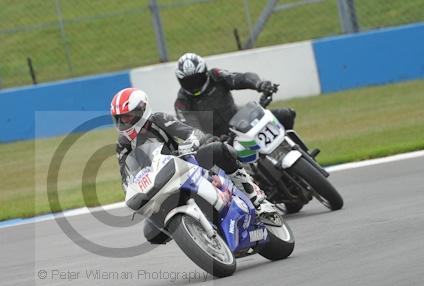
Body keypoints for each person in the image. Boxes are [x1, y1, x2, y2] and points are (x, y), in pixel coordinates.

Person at [111, 87, 278, 244]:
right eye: (120, 118)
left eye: (128, 116)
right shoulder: (122, 143)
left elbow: (191, 132)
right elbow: (126, 175)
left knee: (219, 150)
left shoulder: (159, 120)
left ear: (142, 110)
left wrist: (192, 141)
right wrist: (130, 189)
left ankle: (256, 199)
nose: (124, 121)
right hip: (159, 184)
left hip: (185, 163)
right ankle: (189, 231)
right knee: (151, 233)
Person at [173, 52, 296, 140]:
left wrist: (259, 84)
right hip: (221, 142)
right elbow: (192, 129)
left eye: (197, 79)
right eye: (189, 81)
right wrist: (208, 140)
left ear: (205, 73)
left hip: (243, 124)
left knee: (287, 114)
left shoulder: (216, 76)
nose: (194, 85)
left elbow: (240, 78)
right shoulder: (182, 103)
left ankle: (299, 153)